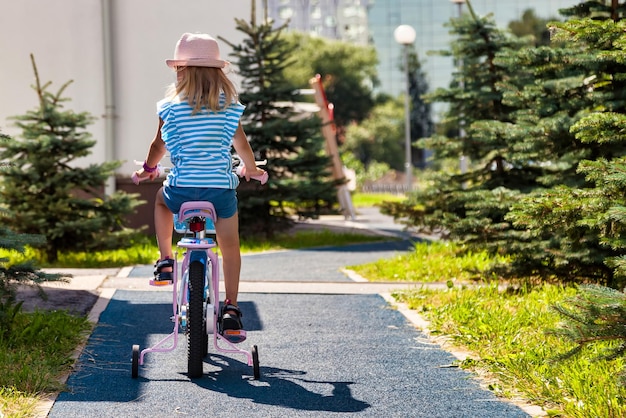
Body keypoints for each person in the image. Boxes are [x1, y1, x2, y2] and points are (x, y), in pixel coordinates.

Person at [133, 32, 266, 340]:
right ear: (218, 72)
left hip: (181, 192)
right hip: (219, 193)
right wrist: (252, 169)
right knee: (230, 246)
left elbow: (158, 146)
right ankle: (231, 309)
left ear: (181, 71)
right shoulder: (230, 108)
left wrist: (148, 169)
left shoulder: (169, 107)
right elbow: (243, 148)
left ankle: (166, 260)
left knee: (160, 201)